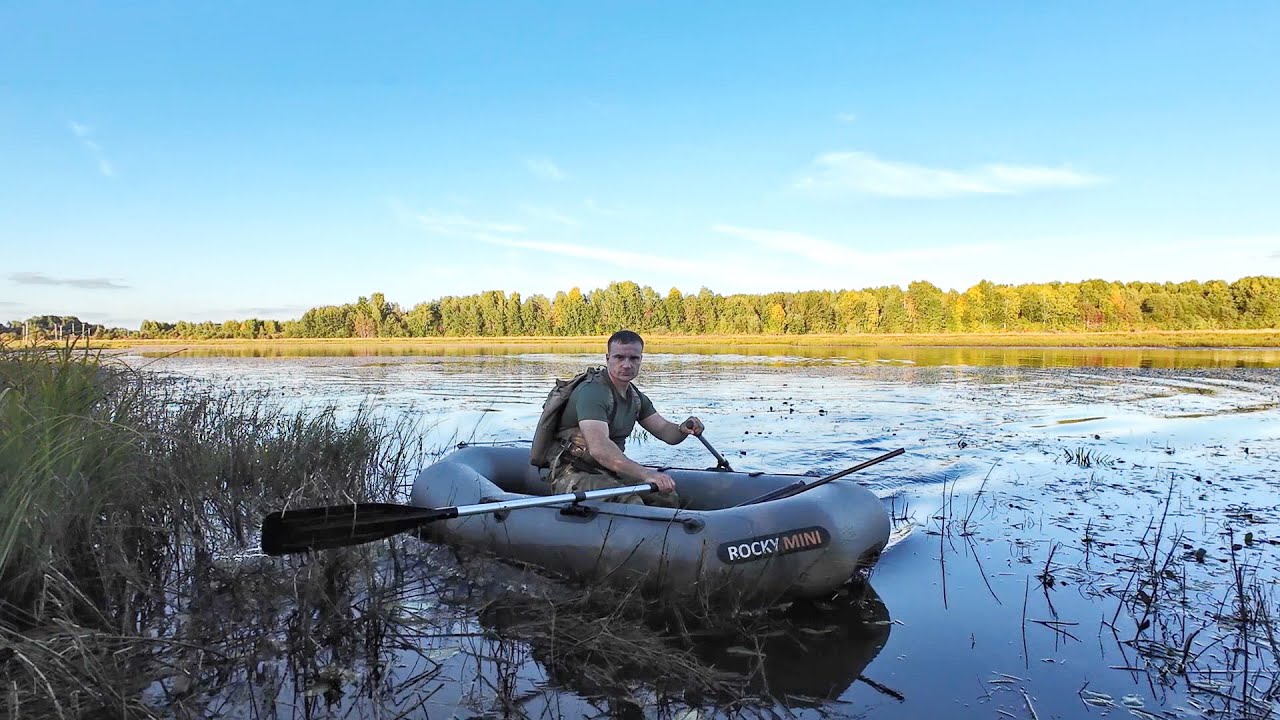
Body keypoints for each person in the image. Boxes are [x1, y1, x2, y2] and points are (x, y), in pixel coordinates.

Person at [542, 329, 704, 507]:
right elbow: (599, 448)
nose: (627, 364)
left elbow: (666, 432)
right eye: (619, 357)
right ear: (607, 359)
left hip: (608, 470)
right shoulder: (593, 392)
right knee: (629, 502)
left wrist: (682, 428)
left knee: (666, 497)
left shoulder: (635, 396)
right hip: (571, 472)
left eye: (633, 358)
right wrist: (646, 474)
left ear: (641, 360)